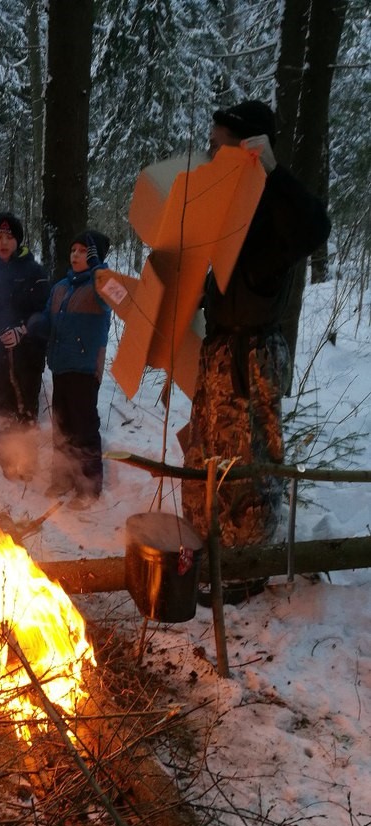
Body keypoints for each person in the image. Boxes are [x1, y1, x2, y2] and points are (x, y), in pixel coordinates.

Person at [181, 100, 332, 569]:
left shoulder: (272, 203)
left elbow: (314, 229)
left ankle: (246, 564)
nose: (212, 152)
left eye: (220, 145)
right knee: (206, 451)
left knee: (246, 462)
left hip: (252, 355)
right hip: (219, 349)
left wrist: (273, 171)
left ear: (248, 147)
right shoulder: (224, 200)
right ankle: (209, 547)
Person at [29, 230, 111, 508]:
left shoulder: (100, 288)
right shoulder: (61, 287)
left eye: (83, 251)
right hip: (61, 366)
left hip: (86, 369)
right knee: (62, 426)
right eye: (73, 250)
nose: (76, 255)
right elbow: (48, 315)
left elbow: (115, 295)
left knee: (84, 428)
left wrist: (99, 266)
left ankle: (89, 487)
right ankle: (63, 477)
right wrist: (40, 323)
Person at [0, 212, 50, 482]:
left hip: (27, 357)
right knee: (0, 410)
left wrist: (22, 331)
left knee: (25, 408)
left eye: (9, 237)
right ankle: (7, 462)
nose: (3, 242)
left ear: (18, 240)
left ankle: (27, 464)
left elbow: (44, 314)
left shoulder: (34, 273)